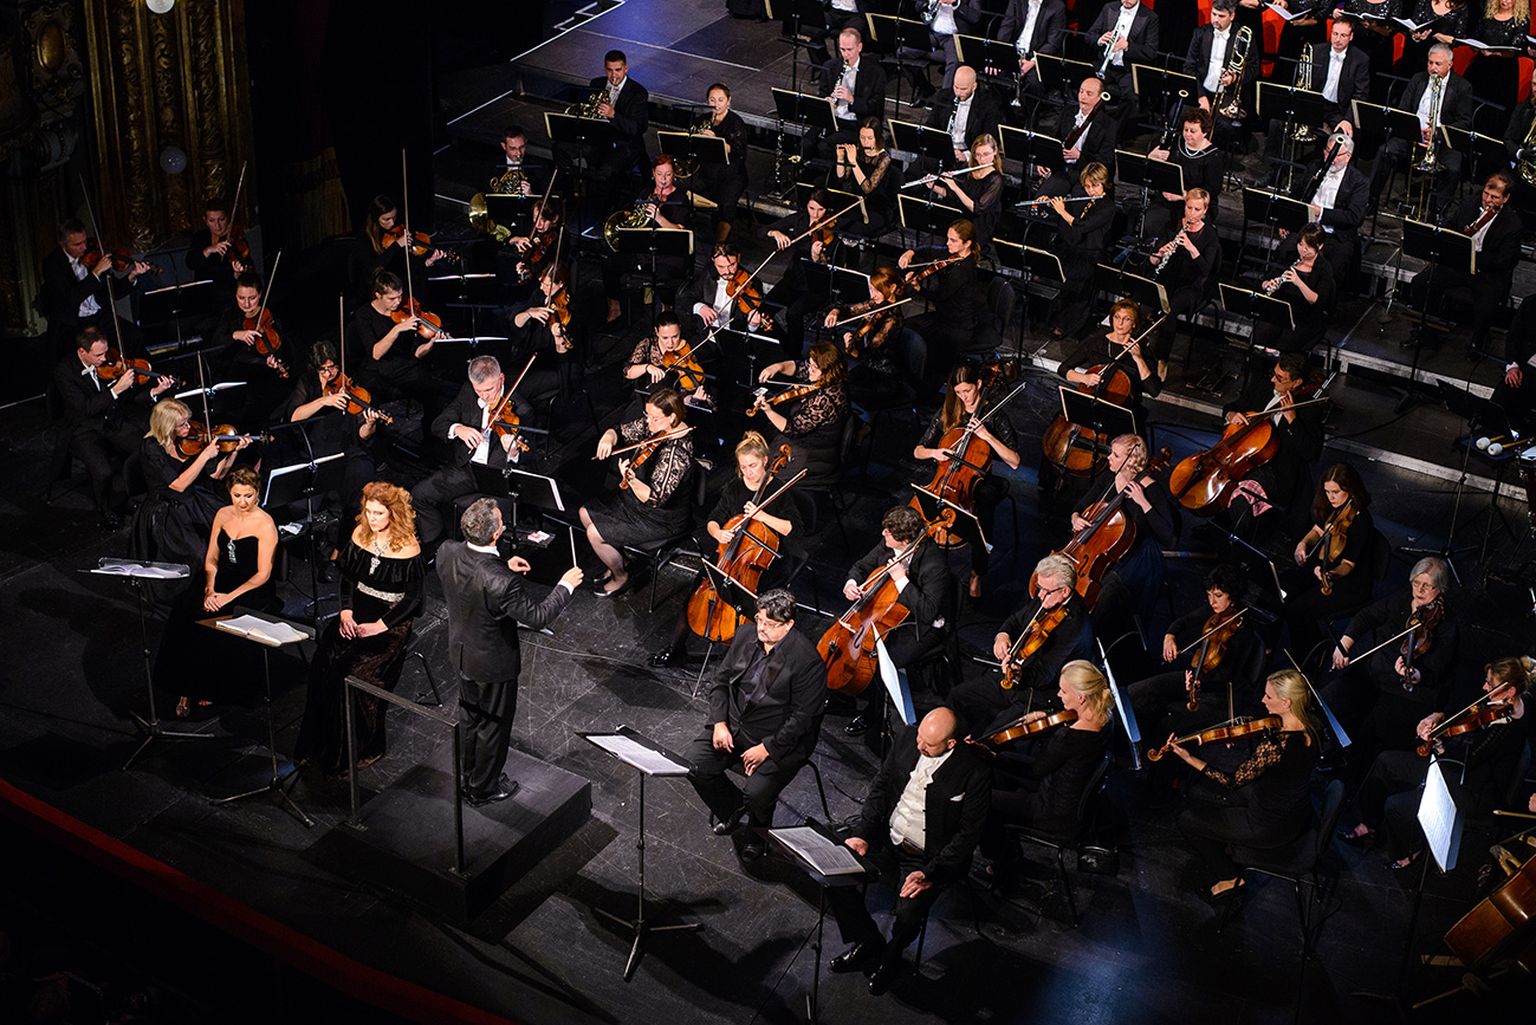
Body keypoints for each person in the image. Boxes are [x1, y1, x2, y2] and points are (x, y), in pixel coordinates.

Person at [824, 707, 991, 995]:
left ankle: (893, 954)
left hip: (930, 859)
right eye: (919, 737)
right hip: (888, 839)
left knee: (909, 913)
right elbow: (881, 787)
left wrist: (930, 873)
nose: (920, 745)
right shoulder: (907, 737)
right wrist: (863, 834)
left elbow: (968, 836)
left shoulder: (975, 770)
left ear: (951, 743)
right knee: (835, 873)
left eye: (929, 744)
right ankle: (868, 940)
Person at [437, 498, 583, 806]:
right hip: (492, 664)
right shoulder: (501, 582)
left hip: (461, 653)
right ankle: (483, 788)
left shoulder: (447, 551)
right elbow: (538, 616)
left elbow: (473, 580)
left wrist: (502, 565)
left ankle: (468, 775)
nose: (504, 525)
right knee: (493, 725)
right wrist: (565, 586)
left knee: (470, 718)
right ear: (494, 534)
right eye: (501, 522)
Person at [1342, 656, 1530, 869]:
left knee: (1397, 806)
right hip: (1454, 764)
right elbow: (1462, 711)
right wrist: (1436, 718)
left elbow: (1472, 758)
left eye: (1490, 684)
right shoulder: (1494, 703)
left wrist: (1442, 747)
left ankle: (1410, 848)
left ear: (1510, 691)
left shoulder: (1510, 729)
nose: (1484, 687)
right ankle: (1369, 822)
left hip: (1472, 788)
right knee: (1385, 761)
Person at [294, 482, 425, 775]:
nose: (372, 518)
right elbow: (348, 579)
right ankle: (318, 744)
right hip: (358, 610)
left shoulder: (408, 547)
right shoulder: (359, 534)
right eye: (368, 512)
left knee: (356, 675)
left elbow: (412, 600)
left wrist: (379, 626)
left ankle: (362, 748)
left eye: (378, 513)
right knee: (325, 661)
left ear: (393, 514)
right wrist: (345, 611)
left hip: (390, 620)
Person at [686, 588, 826, 859]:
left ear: (789, 625)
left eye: (770, 624)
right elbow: (720, 682)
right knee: (695, 764)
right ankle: (732, 808)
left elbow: (802, 718)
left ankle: (757, 835)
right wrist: (719, 722)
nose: (761, 628)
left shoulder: (808, 662)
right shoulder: (745, 635)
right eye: (760, 619)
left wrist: (767, 748)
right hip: (733, 725)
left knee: (758, 794)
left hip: (777, 738)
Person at [648, 431, 805, 668]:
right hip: (729, 555)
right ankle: (675, 649)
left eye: (753, 466)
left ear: (765, 460)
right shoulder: (734, 487)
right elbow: (714, 519)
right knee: (695, 592)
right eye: (743, 467)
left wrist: (761, 515)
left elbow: (794, 529)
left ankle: (743, 660)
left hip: (765, 562)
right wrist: (718, 533)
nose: (748, 472)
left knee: (753, 606)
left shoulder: (779, 490)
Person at [1169, 670, 1320, 904]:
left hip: (1268, 825)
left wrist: (1190, 759)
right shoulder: (1313, 727)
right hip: (1296, 813)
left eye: (1268, 697)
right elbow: (1276, 766)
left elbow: (1233, 781)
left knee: (1187, 819)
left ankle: (1229, 877)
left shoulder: (1276, 745)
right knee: (1221, 799)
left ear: (1286, 702)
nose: (1263, 700)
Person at [153, 466, 281, 719]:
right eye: (237, 495)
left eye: (248, 496)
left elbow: (263, 574)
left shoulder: (266, 525)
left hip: (250, 585)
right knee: (186, 610)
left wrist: (225, 597)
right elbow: (212, 557)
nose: (242, 502)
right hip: (222, 577)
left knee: (217, 619)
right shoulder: (222, 514)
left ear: (257, 493)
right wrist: (210, 587)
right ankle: (185, 687)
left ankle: (211, 686)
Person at [980, 661, 1112, 878]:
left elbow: (1035, 770)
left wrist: (994, 757)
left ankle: (1004, 862)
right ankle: (1007, 846)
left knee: (981, 799)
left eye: (1063, 691)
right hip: (1068, 799)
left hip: (1051, 812)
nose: (1059, 695)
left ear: (1081, 698)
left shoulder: (1069, 738)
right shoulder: (1105, 721)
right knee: (1002, 768)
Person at [1323, 556, 1460, 756]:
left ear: (1440, 588)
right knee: (1330, 698)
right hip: (1376, 669)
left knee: (1369, 736)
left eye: (1427, 586)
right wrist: (1344, 644)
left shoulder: (1447, 625)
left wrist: (1414, 674)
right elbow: (1367, 616)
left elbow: (1437, 670)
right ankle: (1328, 750)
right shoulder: (1402, 599)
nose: (1419, 590)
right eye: (1416, 583)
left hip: (1404, 691)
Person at [839, 505, 956, 736]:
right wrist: (851, 584)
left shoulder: (934, 565)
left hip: (923, 626)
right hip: (888, 611)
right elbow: (861, 566)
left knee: (884, 659)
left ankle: (872, 714)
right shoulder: (888, 543)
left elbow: (927, 612)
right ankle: (842, 694)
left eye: (889, 533)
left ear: (905, 540)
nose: (883, 534)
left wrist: (901, 579)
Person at [948, 554, 1095, 735]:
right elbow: (1016, 620)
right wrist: (1002, 635)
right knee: (958, 696)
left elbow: (1045, 674)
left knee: (992, 736)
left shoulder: (1076, 627)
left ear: (1064, 591)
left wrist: (1018, 673)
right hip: (1015, 676)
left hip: (1039, 694)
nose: (1039, 595)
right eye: (1039, 588)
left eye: (1045, 591)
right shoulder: (1047, 598)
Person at [912, 363, 1021, 597]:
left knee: (984, 512)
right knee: (919, 506)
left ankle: (977, 573)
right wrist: (935, 452)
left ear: (978, 384)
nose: (964, 397)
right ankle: (917, 564)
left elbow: (1014, 461)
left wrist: (987, 436)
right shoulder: (950, 410)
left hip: (978, 479)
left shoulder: (994, 414)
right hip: (946, 473)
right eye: (958, 392)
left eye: (967, 391)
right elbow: (918, 451)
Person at [1128, 564, 1264, 744]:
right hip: (1197, 677)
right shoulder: (1216, 611)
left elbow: (1228, 676)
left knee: (1165, 724)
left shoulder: (1243, 631)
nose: (1212, 602)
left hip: (1219, 696)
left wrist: (1198, 682)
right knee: (1138, 692)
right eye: (1209, 595)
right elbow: (1184, 622)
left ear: (1232, 596)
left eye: (1218, 596)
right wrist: (1170, 636)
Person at [53, 326, 174, 529]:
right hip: (84, 429)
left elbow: (129, 397)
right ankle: (105, 509)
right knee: (103, 472)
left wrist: (155, 390)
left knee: (146, 449)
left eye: (105, 352)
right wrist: (116, 390)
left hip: (112, 422)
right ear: (82, 352)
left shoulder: (109, 361)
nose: (105, 359)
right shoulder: (64, 371)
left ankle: (137, 497)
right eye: (98, 355)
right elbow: (85, 408)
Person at [582, 388, 696, 597]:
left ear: (672, 417)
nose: (648, 422)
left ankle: (621, 576)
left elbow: (655, 499)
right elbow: (619, 430)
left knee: (594, 533)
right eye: (647, 415)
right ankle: (619, 560)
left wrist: (632, 480)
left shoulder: (677, 453)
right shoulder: (655, 426)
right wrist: (608, 437)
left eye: (654, 418)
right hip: (633, 503)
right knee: (584, 513)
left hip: (660, 518)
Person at [410, 356, 531, 549]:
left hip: (499, 479)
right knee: (419, 495)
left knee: (485, 524)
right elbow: (438, 424)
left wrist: (513, 452)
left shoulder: (521, 409)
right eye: (479, 391)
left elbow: (530, 456)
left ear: (501, 378)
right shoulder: (468, 392)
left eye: (489, 390)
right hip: (466, 470)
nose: (485, 397)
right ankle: (438, 547)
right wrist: (458, 429)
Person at [1070, 433, 1180, 629]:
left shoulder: (1151, 489)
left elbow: (1169, 538)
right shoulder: (1108, 477)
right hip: (1104, 548)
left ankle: (1092, 635)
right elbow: (1080, 505)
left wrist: (1143, 502)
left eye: (1115, 455)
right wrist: (1076, 518)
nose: (1109, 458)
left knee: (1107, 593)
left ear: (1130, 460)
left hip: (1138, 556)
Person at [1407, 172, 1523, 355]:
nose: (1487, 200)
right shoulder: (1470, 204)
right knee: (1421, 283)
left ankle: (1478, 342)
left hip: (1487, 274)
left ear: (1505, 198)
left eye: (1494, 197)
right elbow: (1451, 225)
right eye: (1486, 194)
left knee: (1487, 304)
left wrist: (1473, 256)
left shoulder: (1513, 224)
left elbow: (1505, 260)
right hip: (1458, 265)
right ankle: (1425, 333)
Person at [135, 398, 249, 571]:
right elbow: (178, 485)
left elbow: (217, 474)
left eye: (188, 421)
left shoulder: (190, 440)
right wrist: (205, 456)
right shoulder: (152, 447)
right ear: (167, 426)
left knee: (230, 534)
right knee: (200, 554)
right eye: (182, 424)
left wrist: (234, 452)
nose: (189, 427)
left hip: (192, 501)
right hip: (167, 510)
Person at [1217, 353, 1326, 532]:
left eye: (1280, 378)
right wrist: (1231, 415)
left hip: (1274, 472)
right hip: (1244, 459)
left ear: (1297, 382)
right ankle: (1219, 528)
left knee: (1241, 500)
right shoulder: (1263, 387)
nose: (1273, 379)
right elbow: (1231, 407)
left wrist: (1292, 420)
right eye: (1274, 374)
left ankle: (1238, 540)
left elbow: (1310, 453)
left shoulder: (1309, 410)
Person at [1281, 463, 1377, 662]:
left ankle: (1309, 655)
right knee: (1284, 588)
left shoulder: (1361, 521)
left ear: (1350, 490)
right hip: (1323, 567)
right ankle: (1308, 641)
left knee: (1298, 610)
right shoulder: (1332, 507)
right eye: (1327, 492)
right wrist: (1303, 543)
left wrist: (1331, 574)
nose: (1330, 497)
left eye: (1336, 492)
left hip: (1348, 582)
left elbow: (1348, 565)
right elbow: (1318, 529)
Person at [1365, 44, 1473, 214]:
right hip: (1413, 135)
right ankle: (1369, 201)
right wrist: (1414, 130)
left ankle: (1437, 213)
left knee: (1453, 168)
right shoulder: (1418, 79)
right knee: (1385, 151)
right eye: (1430, 63)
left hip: (1442, 141)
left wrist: (1436, 133)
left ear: (1450, 64)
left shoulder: (1462, 86)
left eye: (1438, 64)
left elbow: (1464, 121)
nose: (1433, 68)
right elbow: (1404, 109)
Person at [345, 269, 454, 426]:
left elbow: (416, 353)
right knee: (368, 403)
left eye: (400, 296)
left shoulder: (407, 311)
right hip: (378, 371)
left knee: (437, 395)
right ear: (378, 295)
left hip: (405, 368)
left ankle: (430, 433)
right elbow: (375, 353)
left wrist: (431, 343)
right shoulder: (365, 314)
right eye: (392, 298)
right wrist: (397, 329)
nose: (398, 302)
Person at [896, 218, 991, 387]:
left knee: (914, 337)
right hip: (944, 316)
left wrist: (918, 288)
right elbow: (930, 250)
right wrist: (911, 252)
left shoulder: (964, 270)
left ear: (967, 243)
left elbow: (940, 296)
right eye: (948, 238)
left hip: (956, 326)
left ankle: (921, 383)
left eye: (953, 240)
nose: (948, 243)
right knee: (907, 327)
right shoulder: (953, 255)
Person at [39, 219, 153, 357]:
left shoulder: (95, 254)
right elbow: (71, 298)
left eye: (85, 241)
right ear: (63, 244)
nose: (84, 247)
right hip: (74, 323)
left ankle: (141, 369)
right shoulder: (52, 264)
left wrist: (132, 275)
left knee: (135, 336)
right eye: (77, 244)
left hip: (100, 316)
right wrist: (96, 272)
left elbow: (114, 292)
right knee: (87, 351)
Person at [750, 341, 850, 480]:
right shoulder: (821, 375)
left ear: (829, 370)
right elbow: (798, 367)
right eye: (810, 364)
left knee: (764, 469)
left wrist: (768, 411)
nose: (810, 369)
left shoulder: (825, 400)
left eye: (815, 367)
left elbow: (793, 430)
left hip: (814, 451)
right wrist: (777, 367)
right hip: (802, 438)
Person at [1146, 188, 1220, 375]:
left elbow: (1206, 270)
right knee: (1144, 298)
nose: (1192, 213)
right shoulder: (1172, 225)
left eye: (1197, 209)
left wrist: (1191, 247)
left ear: (1205, 210)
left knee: (1169, 310)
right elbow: (1152, 260)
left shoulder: (1210, 235)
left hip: (1192, 286)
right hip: (1167, 278)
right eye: (1189, 208)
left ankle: (1162, 358)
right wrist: (1160, 253)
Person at [1059, 298, 1161, 429]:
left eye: (1127, 319)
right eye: (1117, 317)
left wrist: (1139, 359)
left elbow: (1154, 391)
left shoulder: (1141, 350)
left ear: (1134, 324)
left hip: (1122, 408)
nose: (1120, 323)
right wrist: (1084, 378)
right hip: (1092, 399)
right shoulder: (1096, 343)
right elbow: (1063, 369)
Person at [1043, 162, 1116, 341]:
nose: (1091, 190)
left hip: (1090, 255)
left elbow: (1082, 226)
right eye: (1087, 186)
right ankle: (1046, 317)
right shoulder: (1082, 198)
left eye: (1095, 185)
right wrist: (1050, 205)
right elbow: (1067, 220)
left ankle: (1065, 325)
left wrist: (1062, 211)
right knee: (1048, 271)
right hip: (1072, 249)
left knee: (1076, 286)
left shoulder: (1108, 206)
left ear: (1104, 183)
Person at [209, 270, 293, 426]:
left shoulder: (270, 314)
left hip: (263, 378)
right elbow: (214, 349)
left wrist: (272, 360)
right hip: (235, 375)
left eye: (252, 298)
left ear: (260, 295)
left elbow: (283, 344)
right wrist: (235, 335)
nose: (246, 304)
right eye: (241, 298)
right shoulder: (230, 314)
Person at [1284, 133, 1368, 282]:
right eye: (1328, 152)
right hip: (1306, 230)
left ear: (1348, 156)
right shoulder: (1314, 167)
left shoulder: (1359, 181)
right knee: (1284, 254)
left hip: (1335, 236)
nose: (1331, 159)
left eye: (1337, 155)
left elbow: (1354, 217)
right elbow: (1296, 194)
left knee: (1331, 271)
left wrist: (1321, 212)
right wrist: (1287, 220)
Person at [763, 190, 835, 352]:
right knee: (763, 310)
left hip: (816, 286)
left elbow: (828, 267)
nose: (815, 215)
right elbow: (763, 230)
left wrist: (817, 256)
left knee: (793, 313)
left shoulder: (833, 228)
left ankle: (794, 352)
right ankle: (782, 344)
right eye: (812, 208)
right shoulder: (800, 219)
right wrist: (775, 233)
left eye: (821, 210)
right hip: (793, 278)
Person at [1145, 108, 1225, 242]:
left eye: (1193, 131)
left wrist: (1185, 196)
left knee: (1180, 230)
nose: (1187, 134)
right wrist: (1152, 157)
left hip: (1194, 205)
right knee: (1152, 223)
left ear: (1204, 133)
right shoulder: (1176, 142)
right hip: (1168, 198)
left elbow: (1212, 190)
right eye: (1185, 130)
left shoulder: (1213, 157)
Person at [1255, 224, 1336, 355]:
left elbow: (1317, 300)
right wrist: (1268, 284)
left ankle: (1279, 363)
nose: (1303, 250)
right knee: (1261, 335)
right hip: (1283, 309)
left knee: (1285, 343)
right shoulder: (1289, 257)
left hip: (1306, 316)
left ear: (1320, 246)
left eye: (1309, 247)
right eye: (1301, 244)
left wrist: (1298, 282)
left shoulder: (1324, 268)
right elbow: (1265, 279)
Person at [811, 28, 888, 158]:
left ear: (859, 47)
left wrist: (852, 99)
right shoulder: (830, 66)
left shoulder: (875, 72)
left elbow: (875, 108)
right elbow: (823, 93)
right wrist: (827, 102)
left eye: (849, 50)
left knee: (825, 146)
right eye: (842, 49)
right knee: (806, 143)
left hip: (856, 124)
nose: (845, 54)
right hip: (832, 120)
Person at [1037, 77, 1116, 198]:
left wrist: (1079, 155)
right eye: (1081, 91)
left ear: (1099, 98)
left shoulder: (1109, 124)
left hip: (1088, 176)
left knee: (1077, 204)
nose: (1082, 97)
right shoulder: (1068, 112)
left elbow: (1106, 160)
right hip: (1063, 171)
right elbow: (1053, 139)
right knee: (1042, 199)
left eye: (1089, 94)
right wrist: (1044, 160)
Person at [690, 82, 749, 243]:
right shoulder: (702, 120)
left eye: (721, 100)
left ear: (729, 101)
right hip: (707, 173)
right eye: (712, 100)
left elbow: (738, 152)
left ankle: (720, 245)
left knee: (725, 206)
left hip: (731, 175)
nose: (716, 104)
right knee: (683, 194)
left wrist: (716, 141)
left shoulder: (736, 122)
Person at [924, 134, 1003, 250]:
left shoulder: (996, 179)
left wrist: (955, 187)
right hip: (959, 217)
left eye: (986, 154)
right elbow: (952, 195)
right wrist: (934, 187)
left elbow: (977, 209)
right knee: (932, 240)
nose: (982, 160)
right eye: (978, 155)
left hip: (978, 225)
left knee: (950, 244)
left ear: (995, 152)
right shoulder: (968, 169)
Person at [1085, 0, 1161, 119]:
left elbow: (1151, 52)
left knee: (1131, 98)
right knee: (1081, 81)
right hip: (1105, 64)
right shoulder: (1109, 7)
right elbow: (1090, 35)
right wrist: (1100, 39)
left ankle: (1116, 128)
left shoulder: (1150, 17)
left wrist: (1127, 46)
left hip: (1128, 71)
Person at [623, 313, 713, 410]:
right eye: (665, 338)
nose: (670, 343)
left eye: (675, 336)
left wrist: (693, 399)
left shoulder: (687, 344)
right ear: (657, 332)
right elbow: (627, 372)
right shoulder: (648, 344)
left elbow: (684, 392)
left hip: (679, 401)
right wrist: (647, 367)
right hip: (654, 400)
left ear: (680, 329)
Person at [1184, 0, 1254, 120]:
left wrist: (1234, 77)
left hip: (1227, 94)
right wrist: (1201, 96)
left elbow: (1254, 69)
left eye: (1221, 16)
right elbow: (1188, 67)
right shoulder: (1200, 33)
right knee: (1178, 114)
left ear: (1232, 16)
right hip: (1201, 90)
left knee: (1224, 124)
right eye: (1214, 14)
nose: (1216, 19)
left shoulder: (1243, 36)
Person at [923, 66, 1001, 169]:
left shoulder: (987, 105)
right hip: (942, 150)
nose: (958, 93)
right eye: (956, 87)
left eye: (963, 89)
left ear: (974, 86)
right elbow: (931, 125)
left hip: (969, 156)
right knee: (916, 170)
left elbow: (991, 140)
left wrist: (967, 155)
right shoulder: (944, 95)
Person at [834, 118, 898, 242]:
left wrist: (853, 162)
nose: (865, 142)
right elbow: (842, 177)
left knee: (853, 230)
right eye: (862, 137)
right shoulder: (858, 151)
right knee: (837, 223)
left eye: (869, 138)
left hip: (876, 205)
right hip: (856, 201)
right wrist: (840, 159)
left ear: (877, 138)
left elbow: (867, 188)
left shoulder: (884, 159)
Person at [997, 0, 1068, 104]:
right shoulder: (1017, 1)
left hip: (1037, 57)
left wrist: (1033, 62)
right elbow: (1006, 29)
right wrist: (998, 54)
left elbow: (1053, 43)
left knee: (1033, 82)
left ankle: (1029, 114)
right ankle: (1005, 112)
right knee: (995, 73)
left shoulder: (1057, 6)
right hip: (1014, 52)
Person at [1466, 0, 1528, 107]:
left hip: (1505, 69)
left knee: (1497, 105)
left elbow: (1517, 50)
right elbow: (1475, 37)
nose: (1504, 1)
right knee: (1473, 100)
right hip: (1482, 64)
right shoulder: (1488, 16)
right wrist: (1478, 48)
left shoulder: (1521, 21)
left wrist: (1494, 54)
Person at [185, 197, 248, 292]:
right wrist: (208, 250)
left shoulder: (236, 238)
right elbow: (190, 263)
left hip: (229, 293)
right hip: (204, 293)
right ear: (205, 220)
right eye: (212, 220)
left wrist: (238, 273)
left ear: (228, 218)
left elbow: (247, 272)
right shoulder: (200, 237)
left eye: (221, 219)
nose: (217, 225)